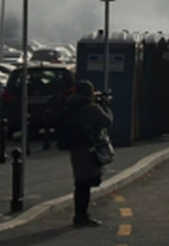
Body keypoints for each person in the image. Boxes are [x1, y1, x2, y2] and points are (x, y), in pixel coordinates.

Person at [62, 80, 113, 228]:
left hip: (75, 147)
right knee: (85, 183)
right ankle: (81, 215)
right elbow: (107, 122)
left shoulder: (70, 105)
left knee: (81, 181)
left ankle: (81, 214)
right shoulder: (91, 108)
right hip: (87, 147)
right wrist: (105, 106)